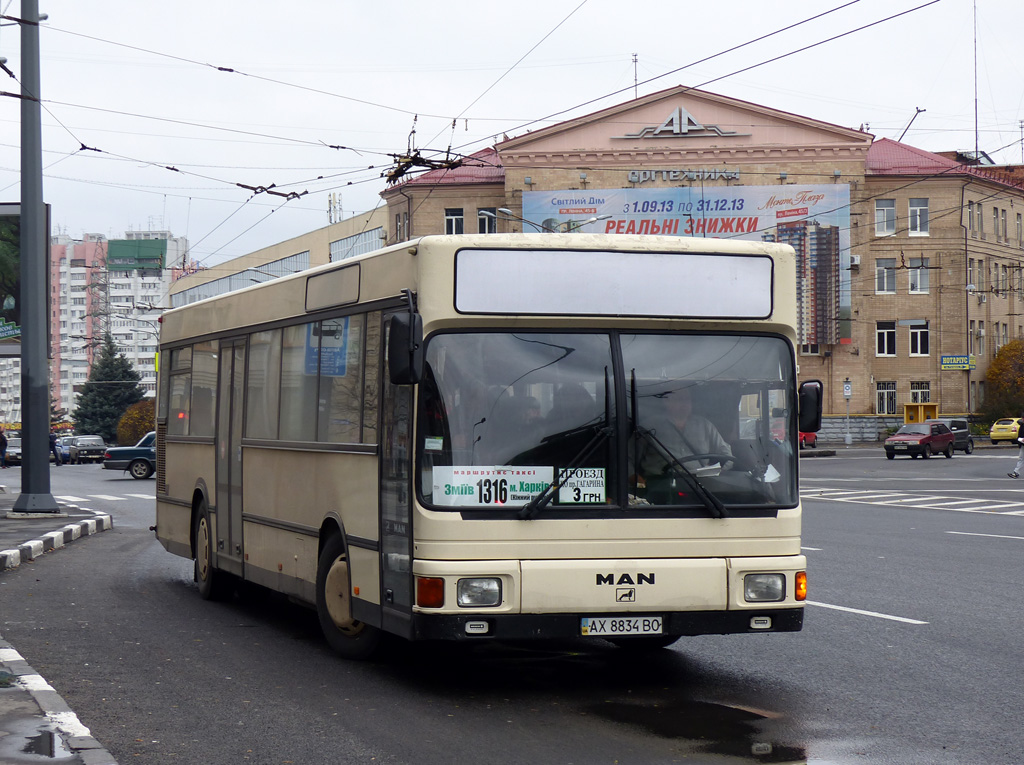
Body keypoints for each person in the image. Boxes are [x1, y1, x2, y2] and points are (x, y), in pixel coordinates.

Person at [635, 386, 732, 480]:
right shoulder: (649, 427)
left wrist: (713, 471)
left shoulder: (705, 426)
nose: (684, 404)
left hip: (700, 486)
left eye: (687, 399)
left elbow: (727, 457)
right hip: (661, 484)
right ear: (666, 401)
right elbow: (628, 458)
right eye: (679, 399)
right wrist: (635, 480)